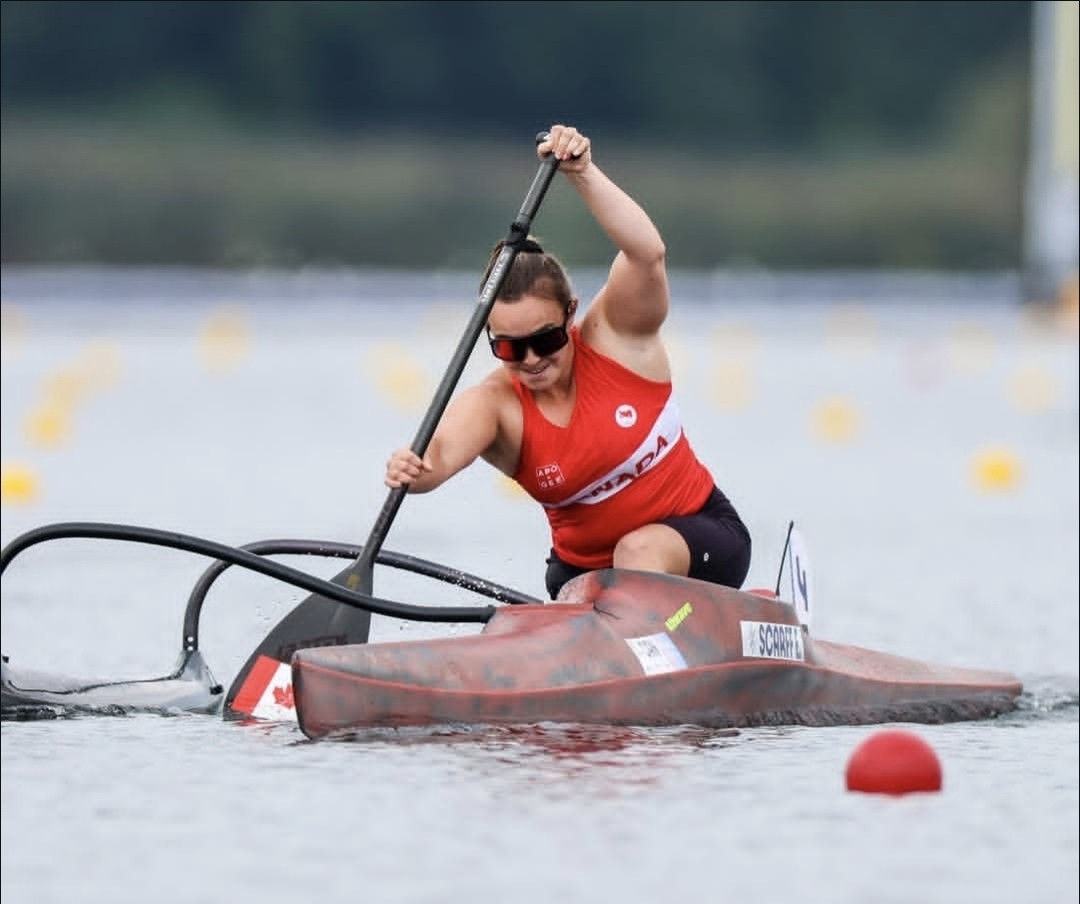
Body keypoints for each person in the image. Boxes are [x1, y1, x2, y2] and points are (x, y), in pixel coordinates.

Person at [385, 123, 751, 600]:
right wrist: (412, 470)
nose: (533, 360)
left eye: (547, 339)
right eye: (511, 348)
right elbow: (439, 456)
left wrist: (582, 173)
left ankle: (651, 644)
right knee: (604, 579)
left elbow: (646, 254)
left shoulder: (616, 337)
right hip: (580, 578)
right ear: (491, 339)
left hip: (705, 544)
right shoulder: (497, 406)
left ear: (571, 314)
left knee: (637, 550)